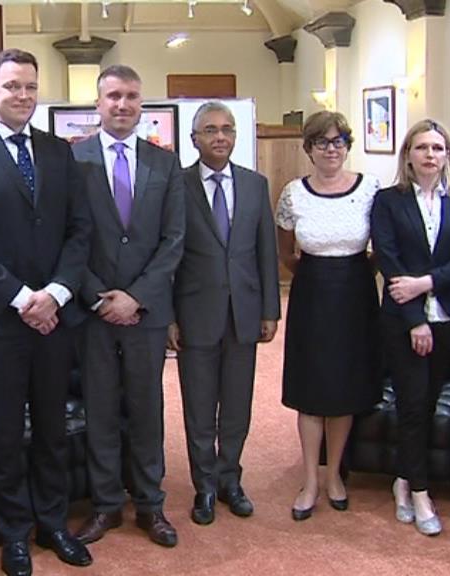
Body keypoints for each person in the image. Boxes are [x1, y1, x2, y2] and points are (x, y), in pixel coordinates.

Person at [0, 49, 93, 576]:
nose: (22, 95)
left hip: (56, 318)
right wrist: (25, 299)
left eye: (30, 86)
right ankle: (13, 533)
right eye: (12, 86)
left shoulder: (57, 152)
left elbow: (79, 231)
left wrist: (57, 293)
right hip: (0, 322)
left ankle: (52, 523)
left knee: (52, 428)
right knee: (5, 434)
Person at [71, 65, 185, 548]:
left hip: (146, 311)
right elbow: (67, 237)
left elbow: (174, 239)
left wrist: (136, 296)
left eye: (131, 96)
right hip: (93, 311)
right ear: (98, 104)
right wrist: (100, 296)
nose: (122, 104)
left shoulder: (165, 164)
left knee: (146, 407)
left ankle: (150, 504)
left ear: (142, 104)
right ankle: (105, 506)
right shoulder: (72, 160)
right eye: (113, 96)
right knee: (99, 408)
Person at [167, 101, 280, 525]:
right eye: (210, 130)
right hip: (194, 313)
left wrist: (270, 309)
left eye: (227, 129)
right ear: (194, 139)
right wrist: (169, 317)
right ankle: (206, 486)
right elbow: (168, 258)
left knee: (237, 406)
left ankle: (231, 478)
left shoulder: (255, 184)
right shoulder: (176, 186)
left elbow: (266, 251)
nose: (220, 137)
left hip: (244, 313)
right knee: (199, 408)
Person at [274, 110, 380, 521]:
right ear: (309, 149)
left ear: (347, 146)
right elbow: (286, 253)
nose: (331, 149)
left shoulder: (370, 189)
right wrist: (316, 274)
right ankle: (310, 480)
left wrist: (352, 274)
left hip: (355, 295)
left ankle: (334, 474)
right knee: (311, 389)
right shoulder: (293, 193)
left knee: (344, 389)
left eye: (338, 142)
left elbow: (379, 249)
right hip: (311, 295)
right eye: (322, 142)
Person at [370, 119, 450, 536]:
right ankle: (420, 492)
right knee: (412, 403)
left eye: (438, 148)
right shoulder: (388, 201)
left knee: (428, 404)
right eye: (422, 147)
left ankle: (402, 478)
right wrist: (416, 320)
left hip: (447, 318)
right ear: (408, 155)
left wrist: (427, 283)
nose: (431, 155)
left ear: (447, 156)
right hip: (402, 321)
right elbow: (389, 258)